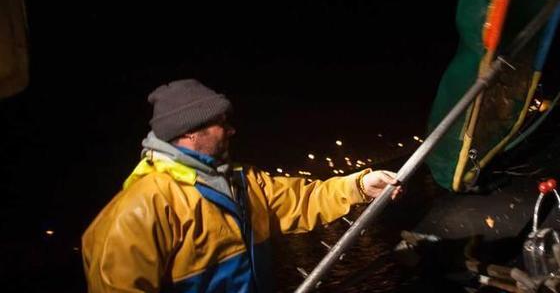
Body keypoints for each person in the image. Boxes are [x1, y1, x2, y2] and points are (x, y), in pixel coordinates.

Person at [82, 79, 401, 293]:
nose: (232, 130)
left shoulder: (243, 181)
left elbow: (302, 200)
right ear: (191, 132)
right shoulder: (138, 210)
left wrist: (359, 185)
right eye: (222, 122)